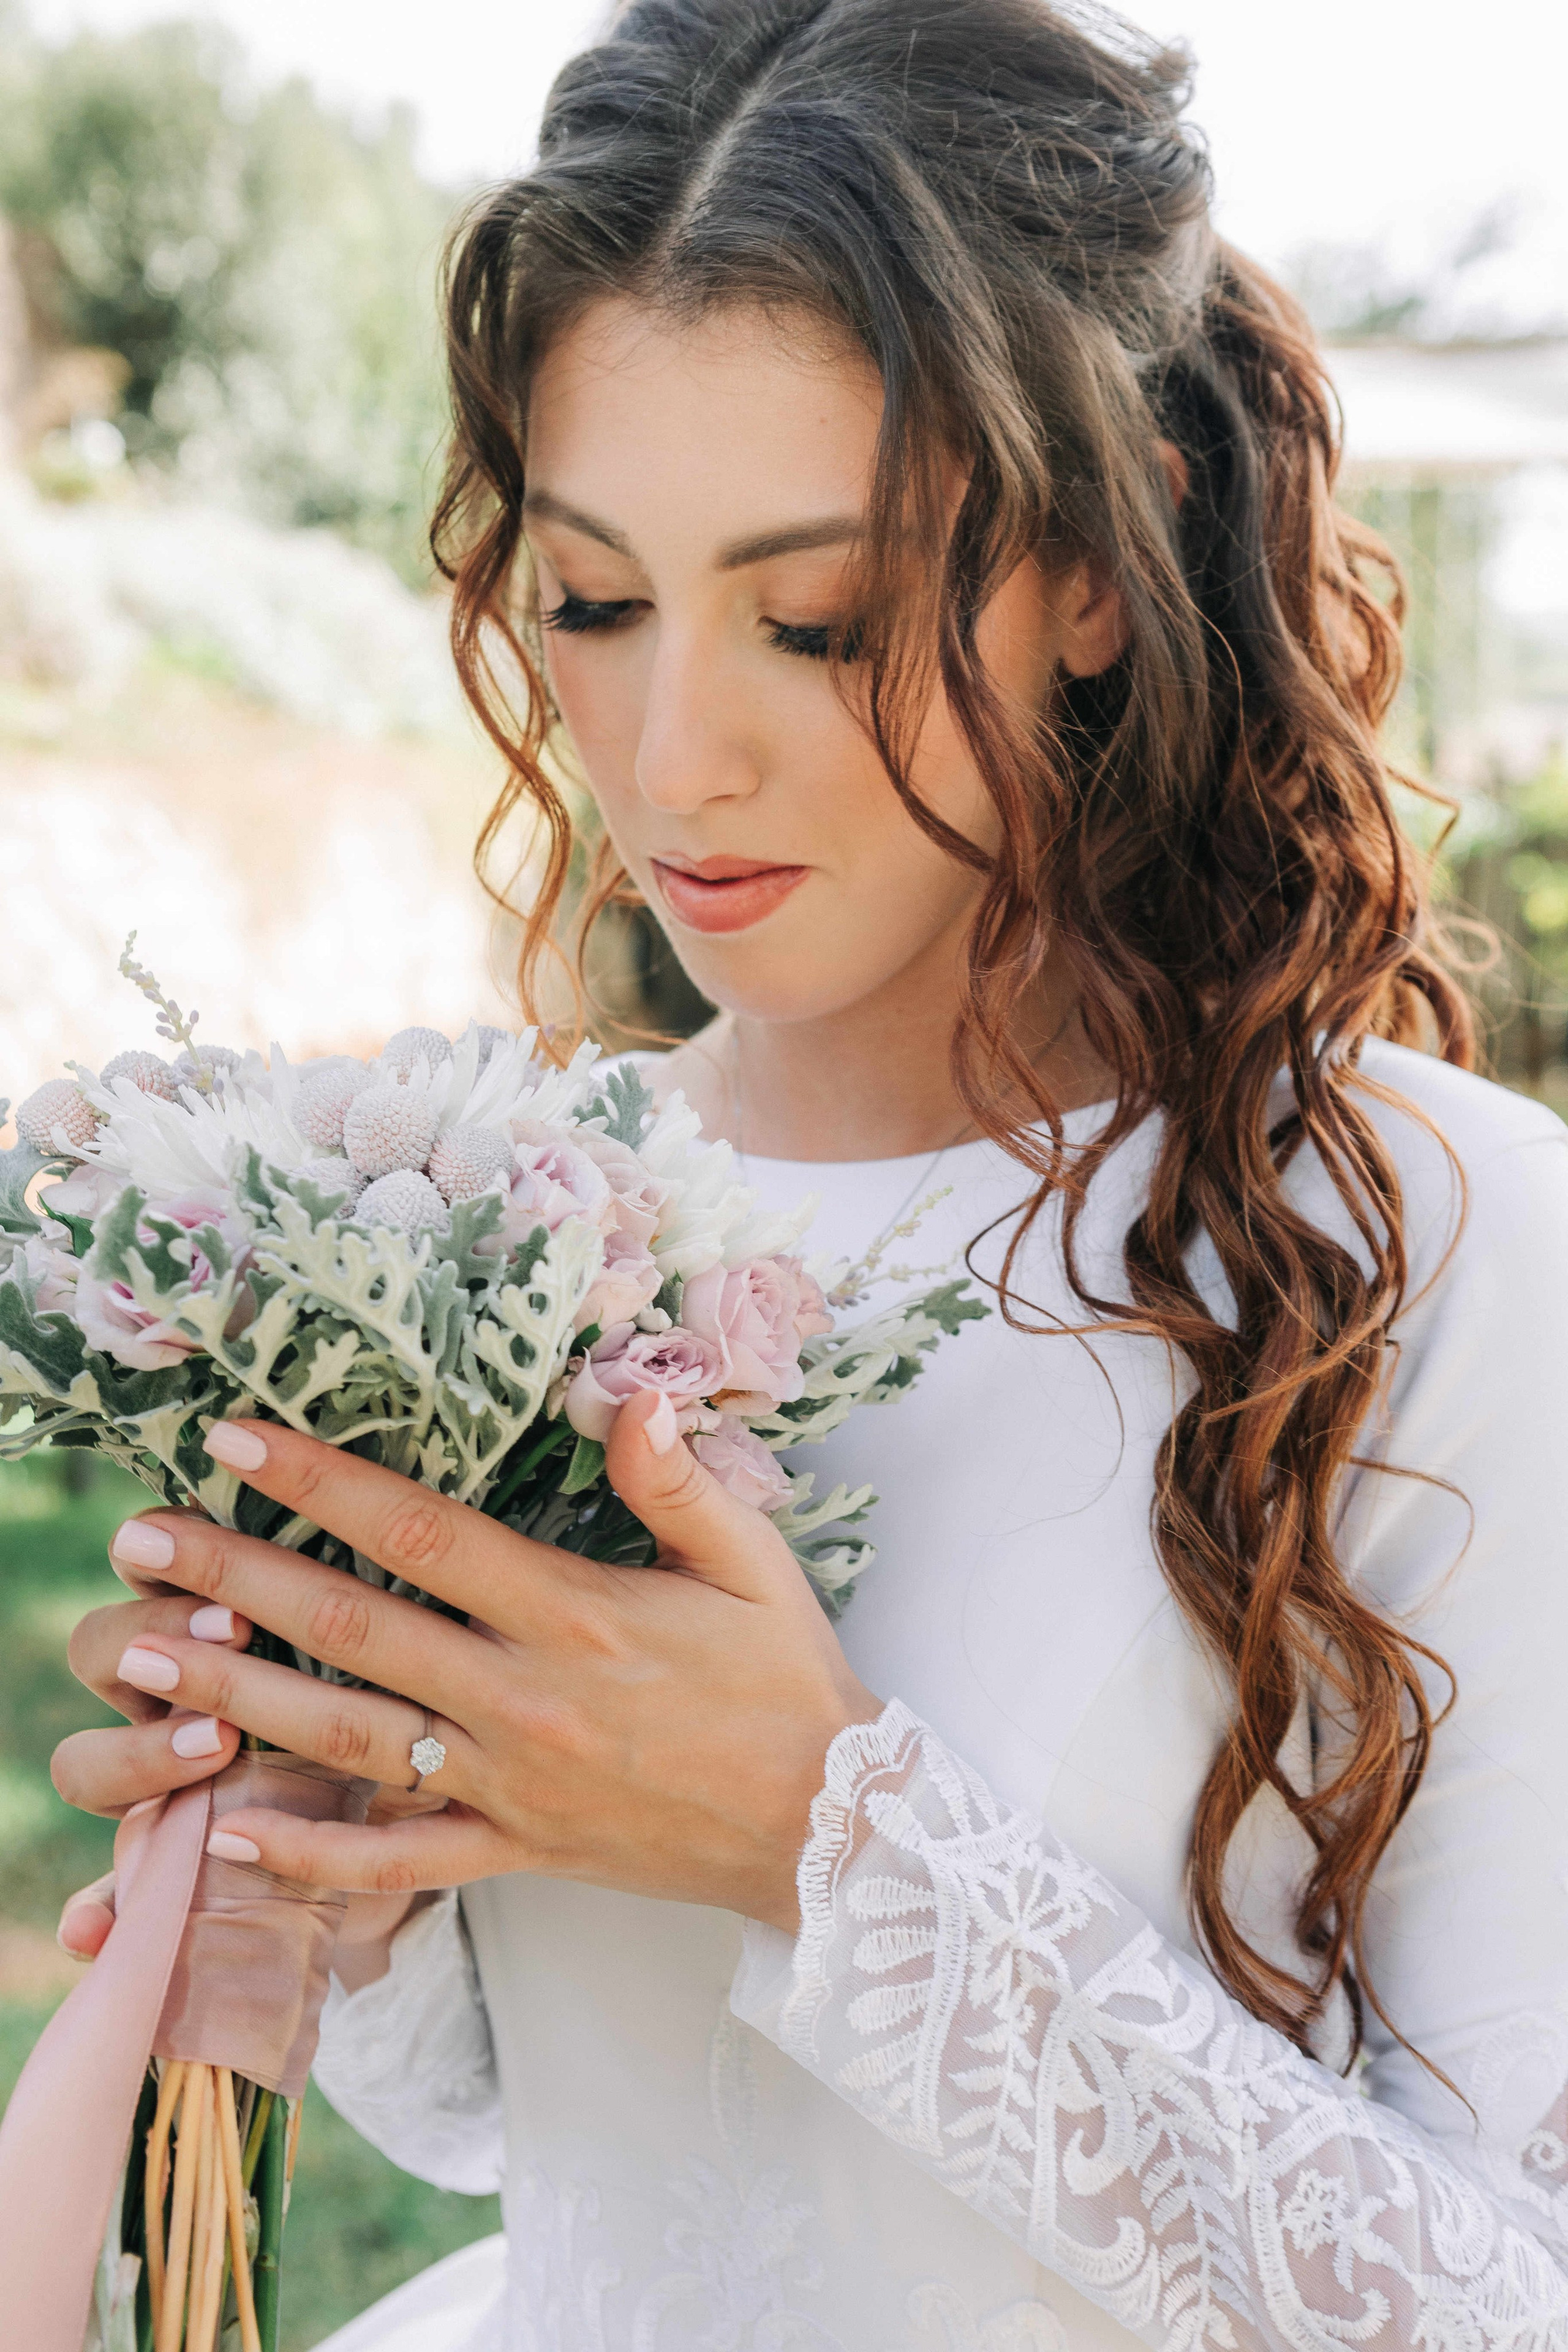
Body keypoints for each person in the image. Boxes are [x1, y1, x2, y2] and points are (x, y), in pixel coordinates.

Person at [49, 2, 1568, 2346]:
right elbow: (548, 2133)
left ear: (1098, 560)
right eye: (592, 600)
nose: (672, 755)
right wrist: (343, 1868)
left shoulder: (1451, 1255)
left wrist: (820, 1835)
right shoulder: (525, 1236)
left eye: (818, 616)